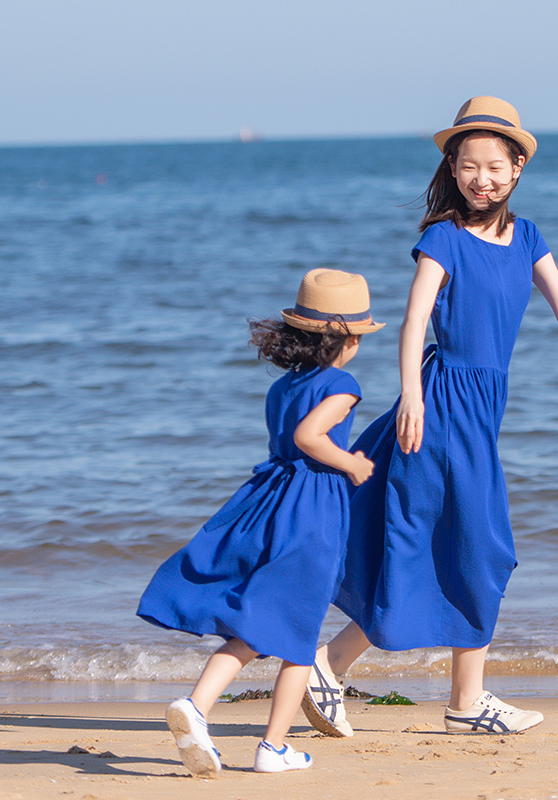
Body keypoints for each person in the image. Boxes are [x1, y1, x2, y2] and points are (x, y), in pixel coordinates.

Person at [302, 97, 558, 737]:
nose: (480, 178)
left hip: (483, 409)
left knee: (462, 545)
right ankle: (365, 670)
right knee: (477, 546)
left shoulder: (529, 237)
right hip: (442, 404)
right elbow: (414, 319)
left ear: (517, 168)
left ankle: (433, 691)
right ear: (452, 171)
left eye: (493, 166)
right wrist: (411, 395)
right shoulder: (443, 237)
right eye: (467, 166)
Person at [137, 268, 384, 775]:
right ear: (350, 340)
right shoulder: (343, 384)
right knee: (298, 632)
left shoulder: (284, 387)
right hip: (312, 510)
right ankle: (272, 747)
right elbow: (309, 439)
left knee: (255, 623)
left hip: (270, 498)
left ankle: (198, 706)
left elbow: (286, 439)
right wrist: (353, 463)